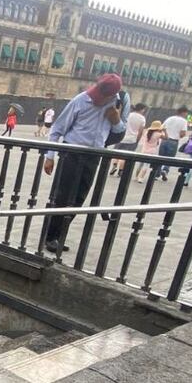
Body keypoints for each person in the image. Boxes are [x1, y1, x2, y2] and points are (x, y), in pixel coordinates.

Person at [42, 73, 123, 253]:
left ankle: (58, 234)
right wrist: (50, 156)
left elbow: (120, 132)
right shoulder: (81, 100)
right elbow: (57, 129)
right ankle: (50, 236)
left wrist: (116, 120)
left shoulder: (117, 103)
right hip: (72, 153)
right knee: (62, 196)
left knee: (79, 198)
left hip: (93, 155)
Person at [111, 102, 147, 177]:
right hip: (132, 139)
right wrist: (137, 140)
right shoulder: (142, 119)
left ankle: (114, 165)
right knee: (125, 156)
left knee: (117, 153)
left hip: (122, 137)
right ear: (142, 109)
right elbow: (140, 131)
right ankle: (120, 170)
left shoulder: (129, 115)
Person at [158, 106, 190, 180]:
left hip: (164, 140)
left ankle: (157, 173)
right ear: (183, 112)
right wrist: (181, 135)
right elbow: (182, 133)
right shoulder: (184, 121)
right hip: (174, 141)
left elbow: (161, 128)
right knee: (170, 158)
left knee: (160, 157)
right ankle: (165, 170)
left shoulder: (170, 118)